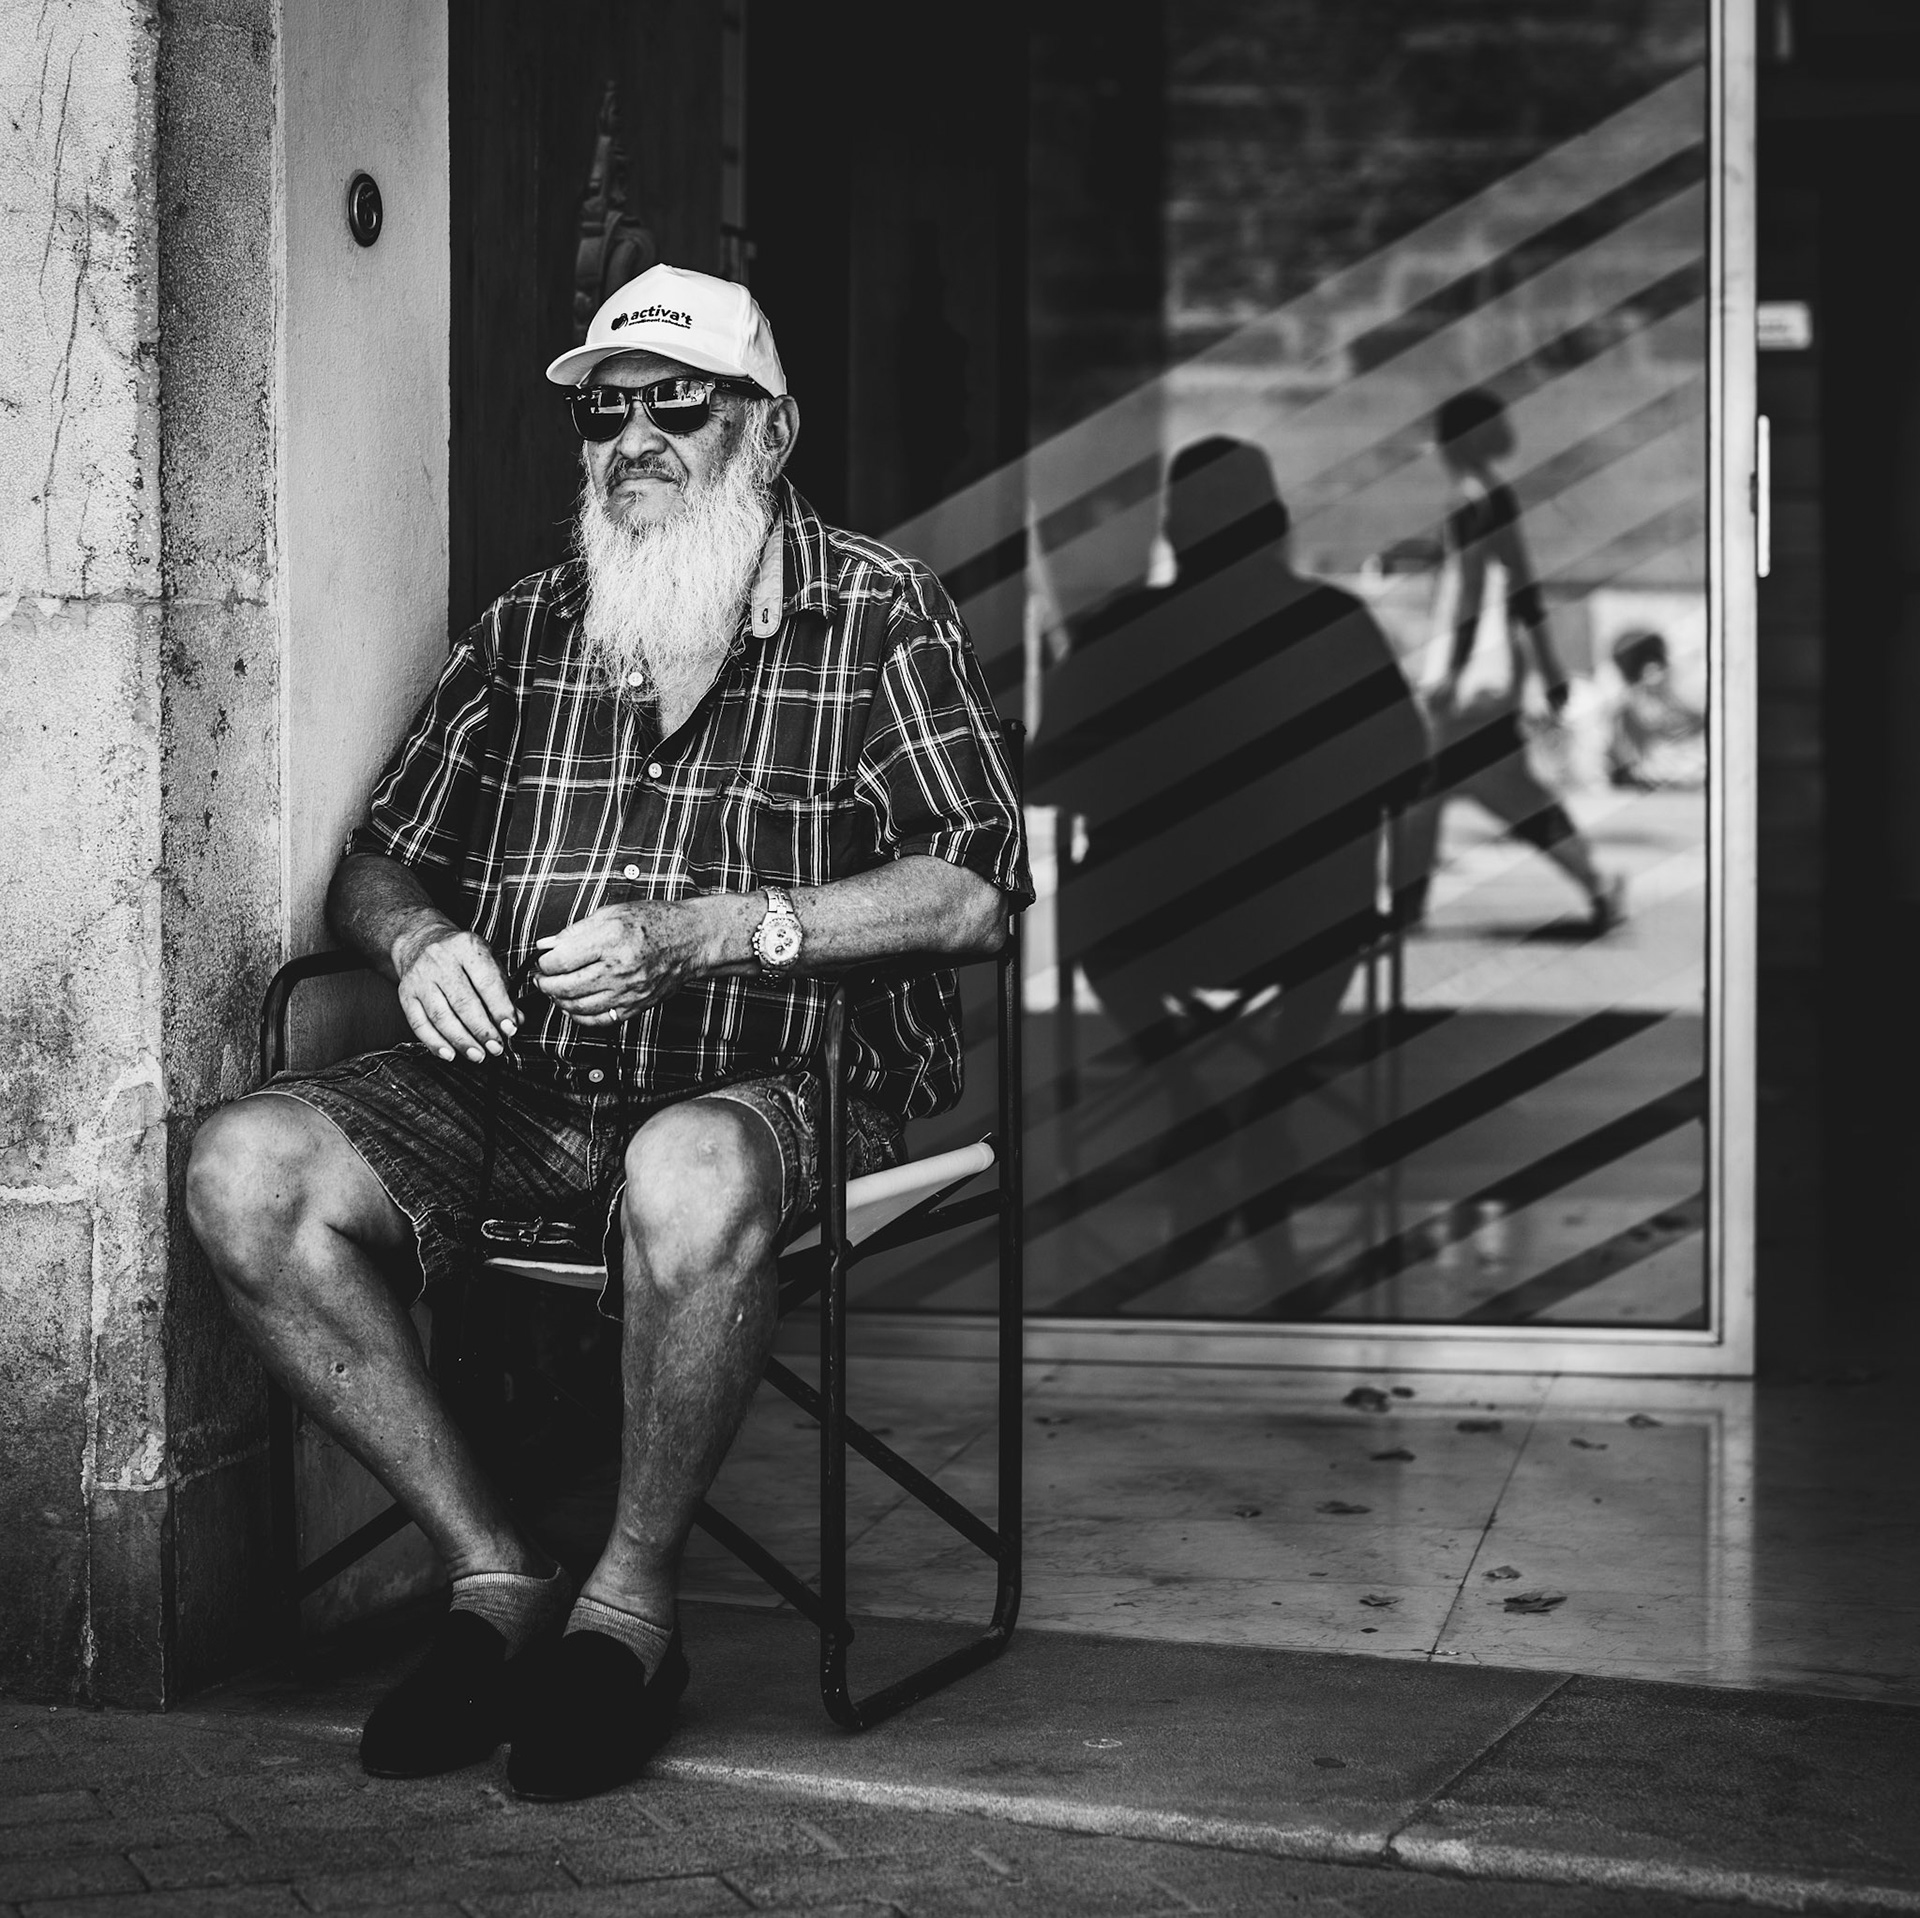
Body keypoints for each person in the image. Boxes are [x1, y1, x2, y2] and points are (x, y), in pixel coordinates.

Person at [185, 264, 1029, 1801]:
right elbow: (380, 854)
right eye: (604, 413)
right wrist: (421, 935)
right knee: (245, 1163)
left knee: (691, 1164)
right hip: (523, 1087)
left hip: (771, 1088)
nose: (632, 438)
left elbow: (975, 883)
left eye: (677, 406)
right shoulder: (531, 624)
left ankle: (631, 1610)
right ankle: (495, 1573)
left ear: (769, 435)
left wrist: (715, 926)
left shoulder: (879, 609)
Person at [1044, 436, 1427, 1256]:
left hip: (1148, 925)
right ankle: (1272, 1102)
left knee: (1089, 907)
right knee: (1349, 898)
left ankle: (1186, 1097)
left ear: (1172, 533)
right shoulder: (1334, 624)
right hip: (1308, 924)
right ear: (1278, 525)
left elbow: (1049, 773)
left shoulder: (1121, 631)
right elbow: (1404, 764)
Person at [1421, 388, 1623, 931]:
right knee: (1461, 789)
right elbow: (1524, 591)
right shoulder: (1496, 495)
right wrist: (1551, 670)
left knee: (1446, 788)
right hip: (1500, 670)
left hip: (1473, 678)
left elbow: (1469, 591)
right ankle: (1594, 882)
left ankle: (1595, 883)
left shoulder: (1467, 500)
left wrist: (1453, 672)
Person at [1606, 627, 1707, 790]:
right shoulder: (1627, 715)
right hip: (1653, 783)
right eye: (1649, 671)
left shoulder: (1676, 704)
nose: (1657, 676)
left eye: (1659, 667)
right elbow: (1626, 761)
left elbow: (1694, 725)